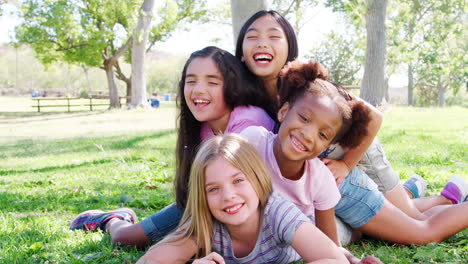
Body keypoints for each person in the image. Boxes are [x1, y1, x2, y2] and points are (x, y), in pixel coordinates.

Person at [235, 10, 467, 226]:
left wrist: (346, 165)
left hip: (359, 150)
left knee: (411, 216)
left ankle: (446, 199)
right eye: (252, 37)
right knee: (395, 212)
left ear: (290, 48)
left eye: (274, 36)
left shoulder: (311, 86)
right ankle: (415, 191)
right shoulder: (247, 99)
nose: (262, 43)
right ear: (242, 54)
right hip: (324, 154)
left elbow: (373, 117)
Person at [241, 59, 468, 245]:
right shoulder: (254, 140)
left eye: (322, 135)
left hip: (347, 187)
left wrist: (347, 165)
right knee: (401, 221)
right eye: (303, 119)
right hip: (330, 188)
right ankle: (441, 195)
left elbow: (330, 247)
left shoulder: (318, 176)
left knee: (420, 230)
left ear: (329, 144)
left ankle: (450, 200)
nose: (309, 134)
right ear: (283, 111)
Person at [69, 46, 276, 247]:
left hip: (231, 210)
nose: (198, 90)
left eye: (212, 82)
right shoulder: (204, 126)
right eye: (191, 81)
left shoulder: (250, 122)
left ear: (233, 85)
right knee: (124, 238)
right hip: (208, 207)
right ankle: (113, 219)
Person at [136, 134, 351, 264]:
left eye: (238, 180)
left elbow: (335, 260)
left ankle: (356, 229)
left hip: (306, 221)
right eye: (213, 189)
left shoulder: (278, 212)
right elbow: (150, 260)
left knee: (342, 239)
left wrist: (334, 253)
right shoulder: (206, 222)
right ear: (203, 196)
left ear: (257, 179)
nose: (228, 196)